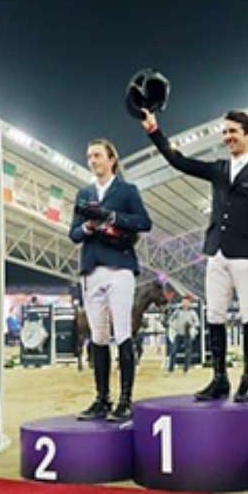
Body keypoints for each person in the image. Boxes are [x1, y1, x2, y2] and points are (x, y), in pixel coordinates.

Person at [142, 109, 248, 403]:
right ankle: (219, 378)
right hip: (216, 252)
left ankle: (247, 379)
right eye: (225, 132)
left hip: (247, 255)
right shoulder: (218, 169)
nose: (228, 137)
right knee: (215, 316)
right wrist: (155, 131)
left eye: (233, 131)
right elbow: (179, 161)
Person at [69, 138, 152, 422]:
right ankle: (102, 398)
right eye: (89, 156)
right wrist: (88, 225)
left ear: (111, 159)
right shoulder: (84, 193)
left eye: (97, 155)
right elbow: (73, 234)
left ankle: (125, 400)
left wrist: (112, 217)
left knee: (124, 331)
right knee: (98, 336)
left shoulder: (127, 190)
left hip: (120, 268)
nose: (92, 161)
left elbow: (144, 222)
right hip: (91, 268)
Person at [168, 296, 200, 374]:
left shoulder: (193, 313)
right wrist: (174, 326)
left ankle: (186, 369)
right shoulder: (177, 312)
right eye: (183, 302)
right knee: (173, 351)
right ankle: (171, 368)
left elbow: (197, 323)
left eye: (186, 302)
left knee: (188, 352)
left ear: (189, 303)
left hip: (187, 334)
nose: (184, 304)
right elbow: (170, 320)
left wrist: (191, 325)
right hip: (178, 334)